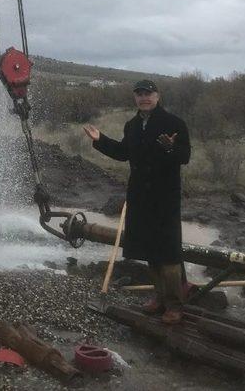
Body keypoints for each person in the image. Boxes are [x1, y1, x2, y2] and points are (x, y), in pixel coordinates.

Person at [84, 79, 190, 324]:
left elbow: (185, 157)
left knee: (169, 253)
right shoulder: (131, 125)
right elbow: (123, 153)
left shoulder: (174, 123)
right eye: (140, 94)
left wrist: (171, 148)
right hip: (140, 196)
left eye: (148, 93)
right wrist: (100, 140)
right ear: (135, 98)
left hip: (165, 197)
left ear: (157, 95)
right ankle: (160, 298)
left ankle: (174, 305)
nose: (144, 98)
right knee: (150, 250)